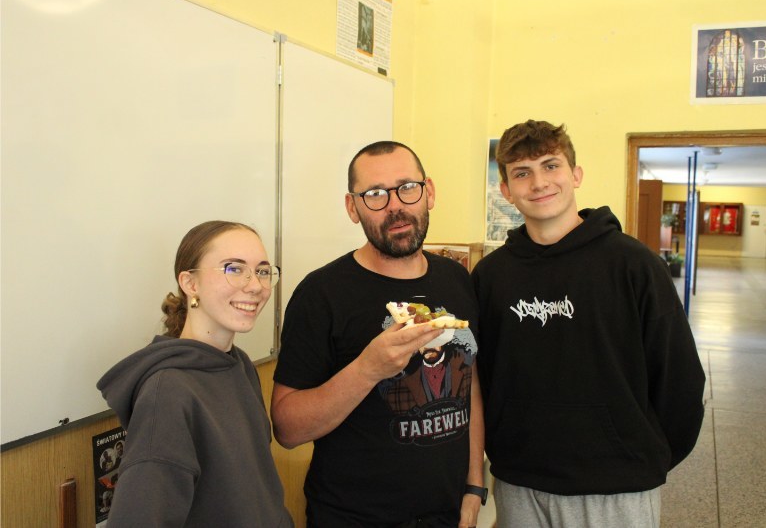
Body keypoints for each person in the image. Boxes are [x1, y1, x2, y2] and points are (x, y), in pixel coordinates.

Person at [471, 120, 706, 527]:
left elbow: (679, 379)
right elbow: (482, 377)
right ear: (506, 190)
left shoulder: (634, 265)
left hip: (617, 487)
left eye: (551, 166)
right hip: (519, 481)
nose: (539, 183)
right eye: (522, 173)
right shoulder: (490, 276)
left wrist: (642, 456)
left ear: (576, 174)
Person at [271, 141, 486, 528]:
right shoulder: (321, 294)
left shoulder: (457, 279)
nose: (395, 206)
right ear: (352, 207)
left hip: (447, 514)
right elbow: (287, 429)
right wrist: (367, 369)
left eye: (407, 187)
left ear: (429, 192)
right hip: (353, 518)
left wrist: (474, 488)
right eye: (374, 194)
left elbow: (469, 387)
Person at [97, 220, 294, 528]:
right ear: (190, 283)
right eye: (234, 268)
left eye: (263, 271)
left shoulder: (239, 365)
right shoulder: (168, 393)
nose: (256, 285)